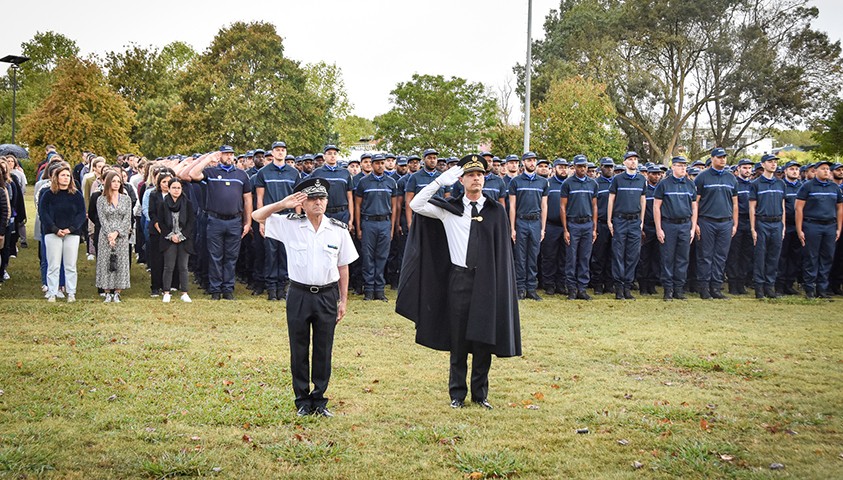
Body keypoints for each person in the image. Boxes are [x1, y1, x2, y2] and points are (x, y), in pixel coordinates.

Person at [398, 155, 520, 410]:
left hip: (487, 281)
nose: (476, 178)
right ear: (462, 180)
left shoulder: (495, 211)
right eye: (471, 174)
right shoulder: (449, 209)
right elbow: (417, 204)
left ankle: (480, 394)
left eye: (480, 174)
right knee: (459, 339)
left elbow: (502, 252)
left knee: (483, 339)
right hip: (459, 279)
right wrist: (440, 181)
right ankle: (457, 394)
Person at [252, 178, 358, 417]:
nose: (318, 202)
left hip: (327, 295)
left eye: (321, 198)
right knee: (298, 349)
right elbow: (258, 216)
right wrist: (282, 203)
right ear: (303, 202)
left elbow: (343, 266)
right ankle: (302, 400)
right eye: (312, 198)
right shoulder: (290, 225)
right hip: (299, 294)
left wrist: (344, 300)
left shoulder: (338, 229)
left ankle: (319, 400)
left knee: (324, 348)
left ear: (327, 201)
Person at [185, 147, 253, 300]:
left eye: (231, 154)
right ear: (220, 155)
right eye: (225, 154)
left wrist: (247, 222)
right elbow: (192, 174)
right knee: (215, 256)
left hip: (235, 221)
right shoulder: (211, 173)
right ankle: (215, 289)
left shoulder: (241, 175)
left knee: (231, 256)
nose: (229, 157)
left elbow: (248, 199)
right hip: (215, 220)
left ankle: (228, 289)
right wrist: (208, 159)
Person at [254, 141, 300, 301]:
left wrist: (298, 219)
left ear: (286, 153)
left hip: (289, 218)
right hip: (271, 217)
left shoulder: (294, 173)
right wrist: (262, 221)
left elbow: (298, 199)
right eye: (277, 150)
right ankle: (272, 290)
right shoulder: (263, 172)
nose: (280, 153)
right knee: (271, 254)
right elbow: (260, 198)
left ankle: (284, 288)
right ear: (272, 153)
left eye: (283, 150)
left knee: (286, 253)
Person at [694, 147, 738, 300]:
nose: (723, 160)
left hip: (725, 223)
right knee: (705, 256)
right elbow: (696, 203)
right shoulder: (702, 177)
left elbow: (735, 204)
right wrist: (696, 224)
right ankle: (704, 288)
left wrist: (734, 223)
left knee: (721, 256)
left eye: (724, 157)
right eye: (719, 157)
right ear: (712, 158)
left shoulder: (731, 178)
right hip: (707, 221)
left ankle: (716, 288)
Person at [795, 160, 843, 299]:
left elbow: (840, 208)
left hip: (830, 226)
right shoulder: (807, 186)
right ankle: (810, 289)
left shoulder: (834, 187)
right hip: (812, 225)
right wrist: (800, 229)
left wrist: (839, 228)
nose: (826, 171)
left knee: (827, 257)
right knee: (811, 257)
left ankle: (822, 289)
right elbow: (799, 208)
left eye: (828, 169)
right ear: (816, 171)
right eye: (823, 169)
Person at [39, 163, 86, 302]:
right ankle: (52, 292)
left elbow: (81, 214)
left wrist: (71, 229)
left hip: (72, 233)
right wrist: (55, 229)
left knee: (70, 265)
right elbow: (43, 213)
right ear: (56, 177)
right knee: (53, 264)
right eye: (63, 175)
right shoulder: (48, 194)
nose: (66, 178)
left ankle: (71, 292)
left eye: (68, 176)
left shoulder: (76, 194)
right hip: (52, 232)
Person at [354, 154, 398, 301]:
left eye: (382, 163)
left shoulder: (391, 182)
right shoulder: (363, 182)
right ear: (372, 165)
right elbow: (357, 205)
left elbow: (394, 207)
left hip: (385, 222)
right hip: (368, 222)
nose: (380, 166)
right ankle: (368, 290)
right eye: (377, 163)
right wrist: (359, 227)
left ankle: (379, 290)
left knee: (382, 256)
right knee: (367, 257)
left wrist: (391, 228)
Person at [653, 156, 697, 301]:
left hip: (685, 225)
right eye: (679, 165)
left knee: (682, 258)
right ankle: (668, 289)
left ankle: (679, 289)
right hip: (668, 224)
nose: (683, 168)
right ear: (673, 167)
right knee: (667, 258)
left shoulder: (690, 184)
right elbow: (656, 207)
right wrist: (659, 228)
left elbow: (694, 207)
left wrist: (692, 227)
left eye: (685, 165)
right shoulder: (663, 184)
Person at [508, 151, 548, 300]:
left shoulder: (543, 182)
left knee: (533, 256)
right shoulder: (515, 182)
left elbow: (544, 206)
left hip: (536, 222)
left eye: (534, 160)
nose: (532, 163)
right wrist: (512, 228)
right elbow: (512, 206)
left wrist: (543, 228)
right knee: (520, 256)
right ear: (523, 163)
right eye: (529, 160)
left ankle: (531, 288)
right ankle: (520, 288)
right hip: (521, 221)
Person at [606, 152, 646, 300]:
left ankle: (628, 286)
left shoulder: (642, 179)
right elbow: (611, 200)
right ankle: (619, 288)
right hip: (620, 220)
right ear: (624, 163)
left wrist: (641, 221)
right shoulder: (617, 179)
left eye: (635, 159)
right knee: (618, 254)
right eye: (630, 159)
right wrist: (609, 220)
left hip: (635, 222)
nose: (633, 162)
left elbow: (643, 201)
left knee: (633, 255)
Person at [560, 155, 598, 300]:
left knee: (585, 257)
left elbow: (594, 206)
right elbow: (563, 207)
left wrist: (594, 228)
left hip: (587, 224)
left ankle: (582, 288)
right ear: (574, 167)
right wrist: (565, 230)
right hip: (573, 224)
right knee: (571, 258)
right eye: (580, 166)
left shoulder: (593, 184)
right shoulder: (567, 184)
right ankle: (571, 289)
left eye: (585, 166)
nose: (583, 169)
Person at [749, 154, 786, 299]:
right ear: (763, 164)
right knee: (760, 256)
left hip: (777, 223)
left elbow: (782, 205)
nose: (773, 164)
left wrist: (783, 225)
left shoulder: (780, 184)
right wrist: (753, 228)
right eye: (770, 162)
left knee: (774, 256)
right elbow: (752, 207)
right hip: (762, 223)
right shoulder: (756, 184)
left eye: (775, 162)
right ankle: (759, 287)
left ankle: (770, 287)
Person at [96, 171, 132, 302]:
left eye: (118, 181)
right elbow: (102, 218)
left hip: (121, 235)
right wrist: (110, 235)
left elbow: (127, 218)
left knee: (121, 263)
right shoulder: (101, 199)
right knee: (105, 262)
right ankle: (107, 292)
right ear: (108, 183)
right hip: (105, 235)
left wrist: (117, 233)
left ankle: (117, 291)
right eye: (114, 181)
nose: (116, 184)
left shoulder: (126, 199)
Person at [158, 178, 195, 303]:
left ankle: (184, 292)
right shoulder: (163, 204)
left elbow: (191, 222)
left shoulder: (187, 203)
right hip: (168, 238)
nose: (176, 190)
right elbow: (161, 222)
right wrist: (171, 236)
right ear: (168, 189)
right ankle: (166, 292)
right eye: (173, 187)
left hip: (184, 239)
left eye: (178, 188)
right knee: (169, 266)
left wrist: (181, 235)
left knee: (183, 266)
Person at [777, 160, 803, 295]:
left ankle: (789, 284)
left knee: (795, 256)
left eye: (796, 169)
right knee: (782, 256)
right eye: (791, 169)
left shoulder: (802, 186)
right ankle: (780, 286)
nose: (794, 171)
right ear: (785, 171)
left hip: (798, 226)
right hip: (784, 225)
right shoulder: (781, 185)